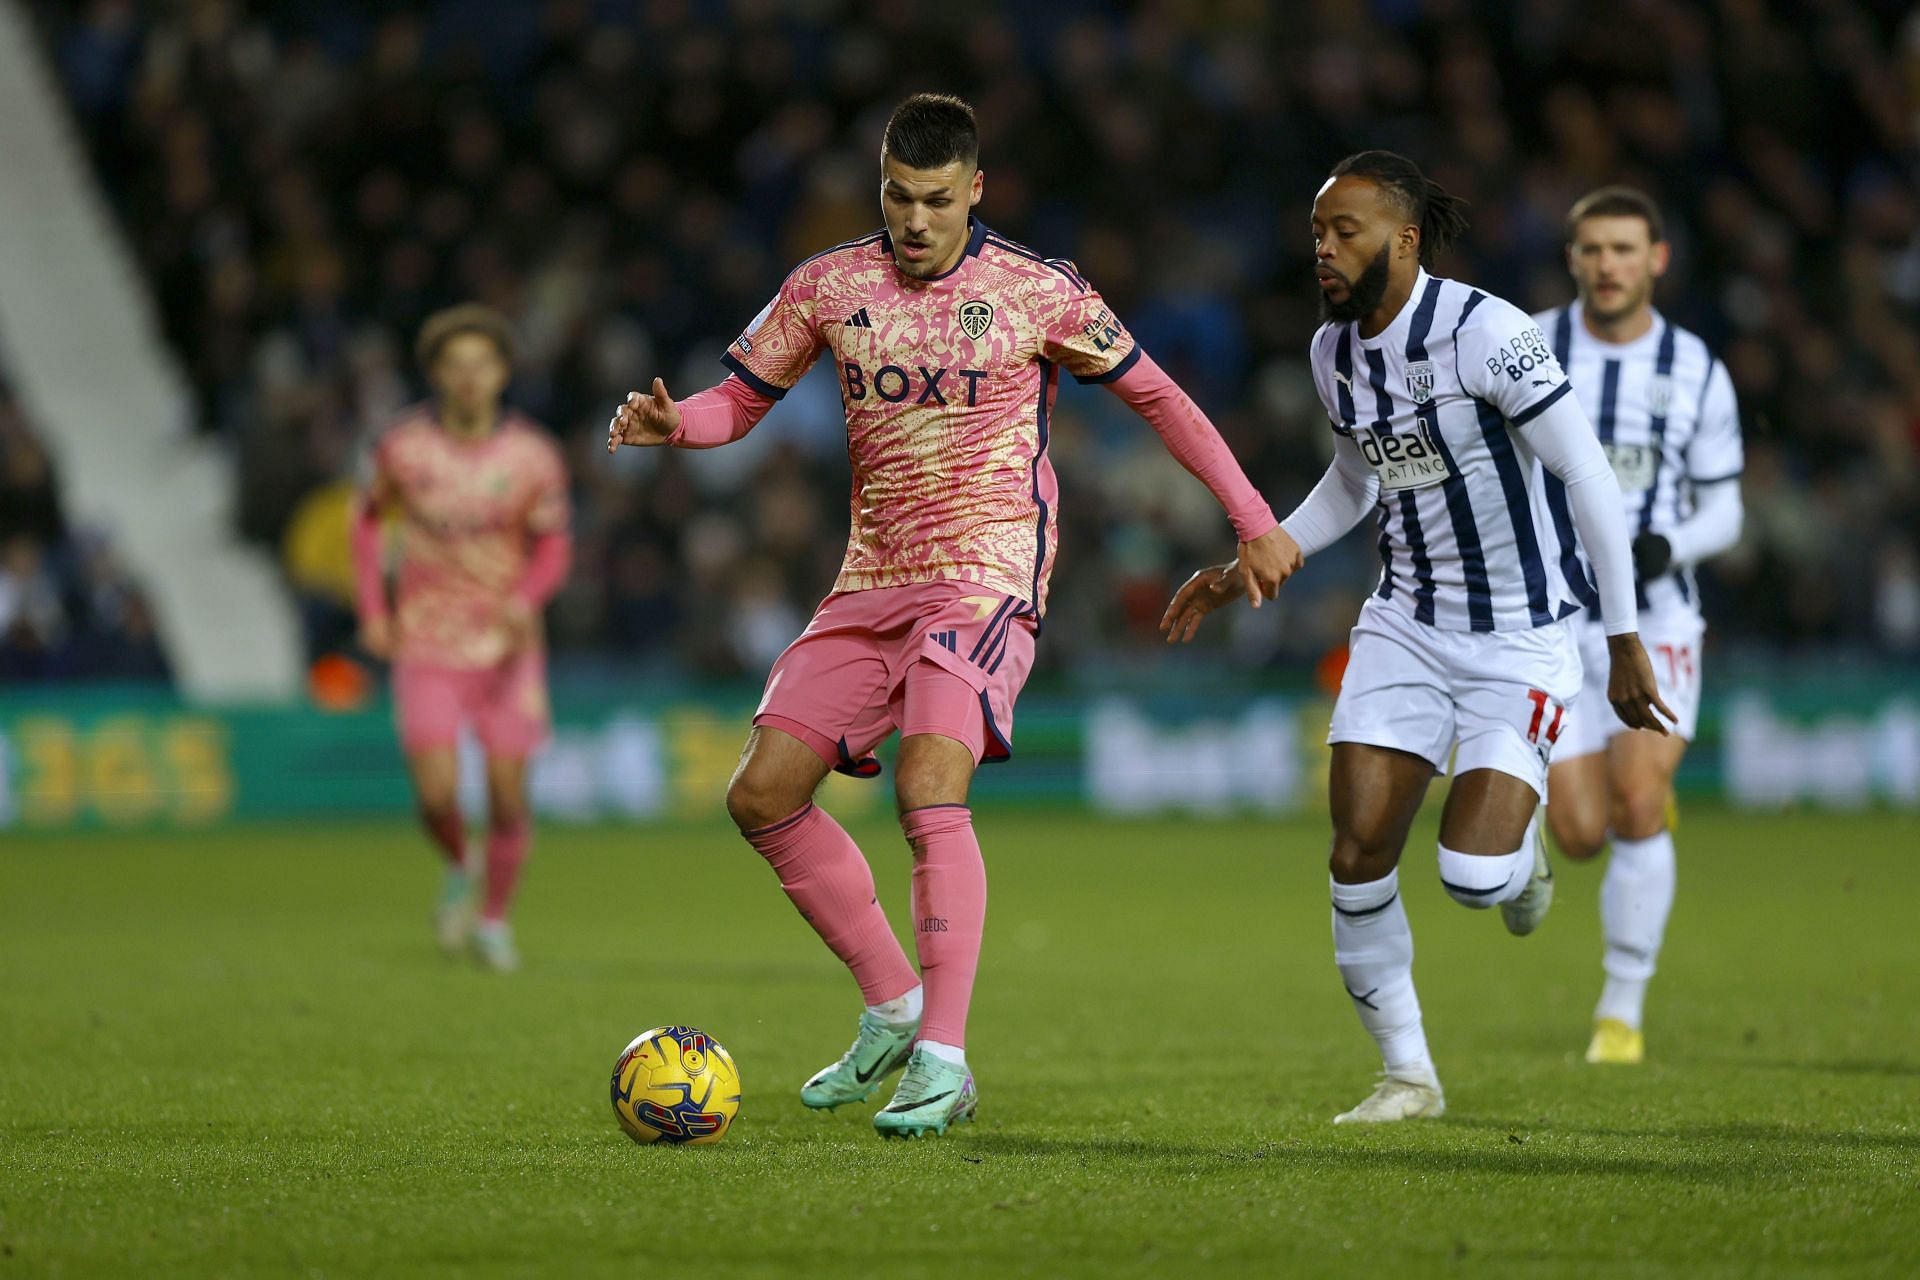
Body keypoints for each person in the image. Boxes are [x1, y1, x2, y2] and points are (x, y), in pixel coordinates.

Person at [607, 93, 1293, 1138]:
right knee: (762, 794)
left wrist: (1251, 517)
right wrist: (676, 425)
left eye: (936, 199)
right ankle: (893, 1001)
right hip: (870, 576)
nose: (915, 220)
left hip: (987, 568)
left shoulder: (1035, 291)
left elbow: (1159, 394)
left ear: (976, 190)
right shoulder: (827, 284)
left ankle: (946, 1056)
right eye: (897, 196)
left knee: (932, 779)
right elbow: (738, 400)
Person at [1161, 151, 1672, 1124]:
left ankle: (1519, 864)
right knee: (1356, 850)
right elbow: (1359, 478)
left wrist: (1624, 634)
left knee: (1473, 878)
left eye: (1343, 231)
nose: (1323, 249)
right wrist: (1248, 565)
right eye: (1316, 233)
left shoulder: (1488, 333)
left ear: (1401, 238)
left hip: (1522, 635)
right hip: (1404, 625)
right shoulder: (1332, 352)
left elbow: (1590, 477)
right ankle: (1408, 1074)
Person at [1535, 187, 1744, 1065]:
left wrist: (1665, 548)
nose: (1607, 265)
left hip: (1655, 617)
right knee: (1581, 834)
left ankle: (1620, 1012)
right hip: (1550, 619)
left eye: (1624, 249)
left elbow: (1727, 512)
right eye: (1592, 249)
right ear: (1573, 258)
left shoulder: (1696, 368)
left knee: (1635, 801)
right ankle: (1618, 821)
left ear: (1657, 258)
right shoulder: (1529, 346)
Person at [352, 304, 571, 972]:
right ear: (437, 375)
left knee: (507, 795)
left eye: (484, 363)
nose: (471, 378)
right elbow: (366, 524)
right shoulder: (403, 448)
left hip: (508, 648)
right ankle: (458, 859)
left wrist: (524, 599)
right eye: (457, 365)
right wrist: (374, 609)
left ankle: (494, 920)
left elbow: (554, 546)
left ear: (503, 372)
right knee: (437, 795)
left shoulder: (533, 456)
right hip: (428, 640)